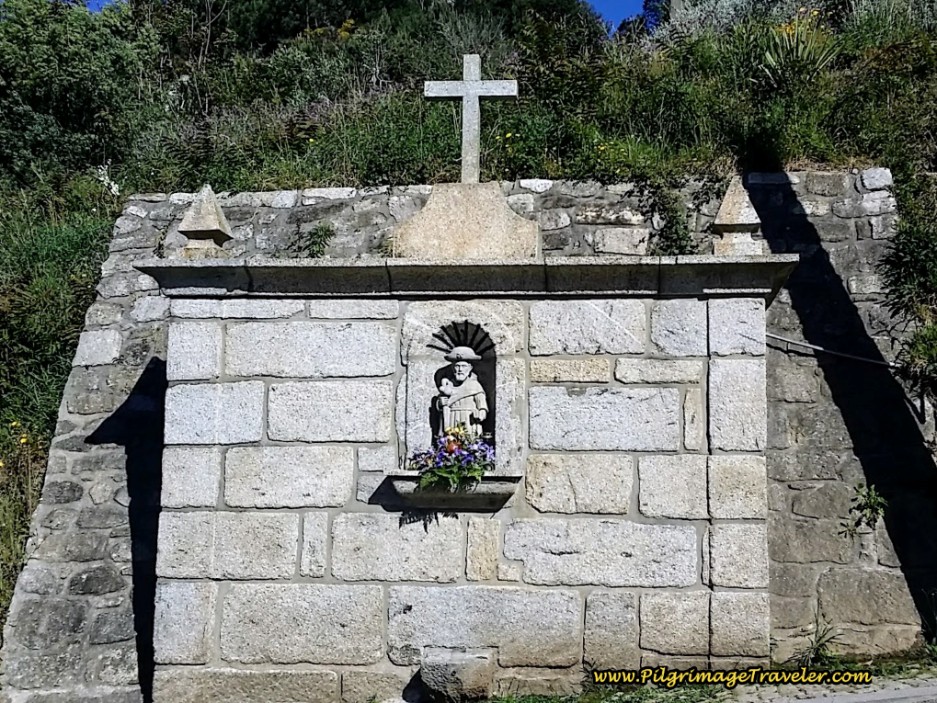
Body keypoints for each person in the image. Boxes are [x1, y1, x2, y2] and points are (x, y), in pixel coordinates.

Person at [435, 346, 488, 439]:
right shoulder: (448, 385)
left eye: (463, 366)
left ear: (470, 368)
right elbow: (441, 406)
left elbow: (482, 407)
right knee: (451, 443)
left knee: (469, 443)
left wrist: (480, 414)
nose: (460, 370)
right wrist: (440, 404)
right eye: (457, 366)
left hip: (469, 421)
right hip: (452, 420)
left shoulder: (475, 386)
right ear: (453, 368)